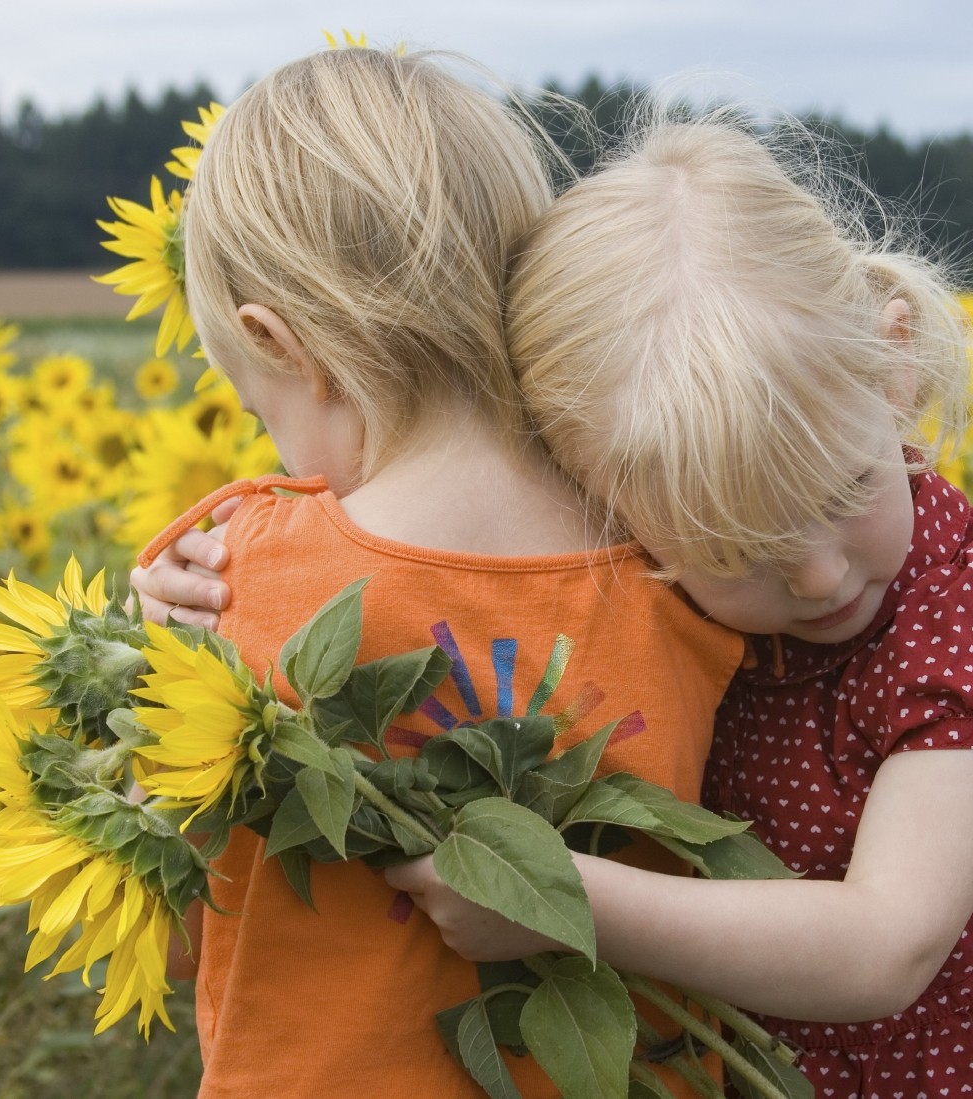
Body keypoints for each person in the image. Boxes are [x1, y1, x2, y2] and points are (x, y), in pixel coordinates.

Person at [142, 115, 973, 1098]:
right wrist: (209, 601)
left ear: (892, 370)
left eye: (847, 489)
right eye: (736, 549)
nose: (812, 575)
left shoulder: (960, 613)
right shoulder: (631, 557)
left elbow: (887, 945)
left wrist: (556, 901)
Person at [131, 49, 741, 1099]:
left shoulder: (233, 571)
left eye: (255, 412)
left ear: (277, 341)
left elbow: (176, 924)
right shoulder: (685, 556)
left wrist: (159, 673)